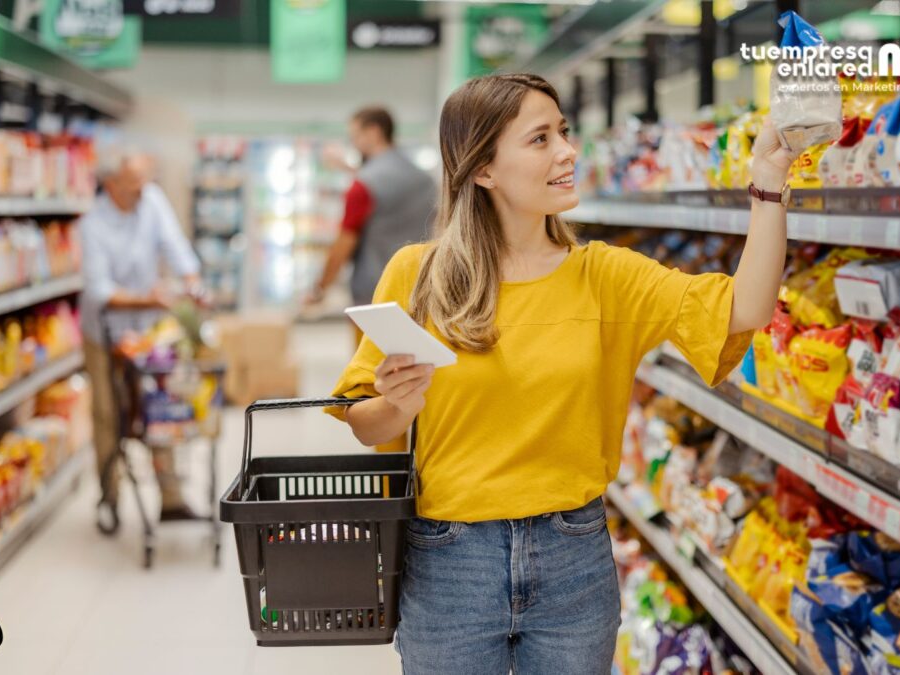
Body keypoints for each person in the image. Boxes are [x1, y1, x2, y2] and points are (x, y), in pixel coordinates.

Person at [327, 74, 794, 674]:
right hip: (449, 561)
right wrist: (398, 404)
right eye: (540, 138)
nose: (567, 151)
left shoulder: (605, 276)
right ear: (484, 170)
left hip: (573, 559)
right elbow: (364, 423)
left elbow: (745, 309)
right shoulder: (422, 274)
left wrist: (771, 185)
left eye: (564, 133)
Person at [80, 148, 205, 535]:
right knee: (108, 414)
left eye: (144, 181)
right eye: (133, 183)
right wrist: (149, 298)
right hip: (105, 332)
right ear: (111, 184)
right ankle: (109, 497)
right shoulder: (92, 224)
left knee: (160, 405)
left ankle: (171, 499)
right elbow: (101, 290)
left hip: (147, 331)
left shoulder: (150, 200)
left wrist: (192, 281)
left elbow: (175, 245)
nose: (142, 190)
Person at [307, 106, 437, 328]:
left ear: (374, 132)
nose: (353, 143)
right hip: (420, 288)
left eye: (355, 136)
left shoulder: (363, 186)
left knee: (371, 361)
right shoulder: (425, 180)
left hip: (373, 294)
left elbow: (344, 242)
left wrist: (321, 287)